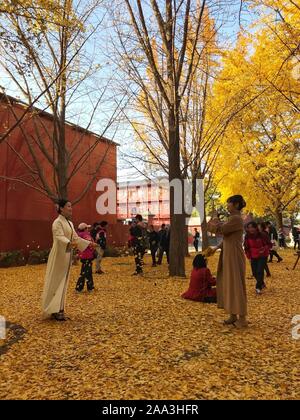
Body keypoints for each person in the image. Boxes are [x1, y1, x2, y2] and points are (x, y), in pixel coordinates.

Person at [41, 199, 95, 321]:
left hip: (66, 256)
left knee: (63, 282)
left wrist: (89, 244)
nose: (71, 208)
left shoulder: (70, 223)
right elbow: (59, 237)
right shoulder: (57, 223)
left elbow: (76, 238)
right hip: (58, 256)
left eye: (71, 206)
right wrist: (69, 243)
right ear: (61, 208)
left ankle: (60, 309)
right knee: (56, 281)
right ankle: (53, 309)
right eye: (68, 206)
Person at [207, 194, 248, 328]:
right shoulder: (232, 218)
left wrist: (214, 218)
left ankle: (242, 318)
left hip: (234, 256)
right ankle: (232, 315)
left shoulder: (236, 219)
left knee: (236, 284)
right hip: (228, 254)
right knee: (229, 283)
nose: (227, 205)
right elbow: (226, 239)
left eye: (229, 203)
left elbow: (221, 230)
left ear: (236, 205)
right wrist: (215, 249)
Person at [244, 222, 272, 294]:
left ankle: (258, 287)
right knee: (254, 272)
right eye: (249, 227)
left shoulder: (262, 235)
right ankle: (261, 283)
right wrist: (248, 256)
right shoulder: (247, 236)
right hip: (253, 255)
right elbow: (246, 247)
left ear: (256, 227)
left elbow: (269, 244)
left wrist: (264, 248)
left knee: (260, 270)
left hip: (263, 255)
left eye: (252, 227)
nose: (251, 229)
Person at [75, 223, 96, 292]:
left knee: (88, 271)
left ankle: (90, 287)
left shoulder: (78, 235)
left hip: (83, 255)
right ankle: (79, 288)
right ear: (85, 229)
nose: (88, 229)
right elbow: (90, 244)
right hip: (87, 255)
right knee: (85, 272)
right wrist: (94, 245)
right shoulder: (86, 235)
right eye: (87, 228)